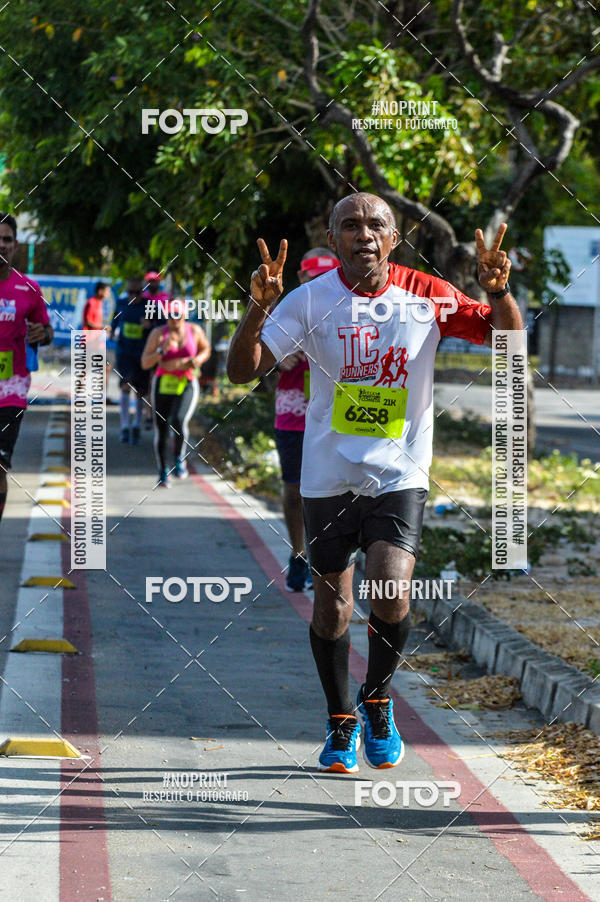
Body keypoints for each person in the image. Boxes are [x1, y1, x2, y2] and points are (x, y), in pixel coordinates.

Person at [227, 192, 521, 773]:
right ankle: (341, 721)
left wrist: (498, 292)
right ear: (332, 238)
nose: (363, 234)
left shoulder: (428, 294)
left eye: (375, 225)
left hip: (399, 474)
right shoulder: (309, 300)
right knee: (332, 611)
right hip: (327, 476)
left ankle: (378, 700)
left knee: (390, 590)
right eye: (350, 225)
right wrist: (257, 310)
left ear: (394, 237)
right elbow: (243, 370)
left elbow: (507, 342)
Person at [275, 248, 339, 592]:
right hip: (293, 413)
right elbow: (257, 352)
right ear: (301, 277)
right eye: (314, 278)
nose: (320, 284)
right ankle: (298, 553)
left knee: (334, 491)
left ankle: (326, 559)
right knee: (294, 487)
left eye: (327, 276)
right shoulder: (287, 309)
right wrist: (276, 359)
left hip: (335, 414)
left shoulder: (350, 308)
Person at [0, 212, 53, 522]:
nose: (2, 245)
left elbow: (46, 330)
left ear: (15, 245)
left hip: (11, 389)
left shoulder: (29, 289)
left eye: (7, 239)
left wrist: (41, 333)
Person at [141, 299, 211, 487]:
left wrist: (198, 359)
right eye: (170, 316)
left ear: (185, 315)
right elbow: (145, 363)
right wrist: (161, 351)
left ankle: (179, 459)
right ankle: (163, 470)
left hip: (187, 382)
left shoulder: (194, 331)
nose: (174, 320)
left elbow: (206, 349)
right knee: (162, 428)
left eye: (178, 315)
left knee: (179, 420)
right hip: (163, 382)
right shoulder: (158, 334)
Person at [109, 277, 149, 444]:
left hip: (142, 354)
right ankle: (125, 426)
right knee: (125, 387)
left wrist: (149, 326)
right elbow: (114, 322)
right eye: (130, 292)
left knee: (140, 392)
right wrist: (112, 332)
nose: (133, 296)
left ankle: (136, 425)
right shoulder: (121, 303)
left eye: (137, 292)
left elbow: (161, 326)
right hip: (124, 352)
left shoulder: (149, 306)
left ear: (142, 292)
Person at [141, 270, 171, 430]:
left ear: (159, 282)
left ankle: (159, 415)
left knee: (158, 380)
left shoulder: (166, 299)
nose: (152, 283)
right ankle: (147, 414)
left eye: (155, 281)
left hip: (163, 346)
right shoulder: (142, 298)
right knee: (147, 382)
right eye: (149, 281)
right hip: (144, 345)